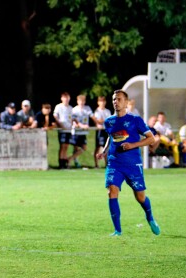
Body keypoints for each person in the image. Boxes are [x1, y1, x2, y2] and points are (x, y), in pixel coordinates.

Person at [96, 90, 160, 237]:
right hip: (114, 163)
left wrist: (133, 145)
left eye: (119, 99)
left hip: (132, 164)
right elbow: (111, 137)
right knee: (112, 191)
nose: (115, 102)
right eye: (113, 99)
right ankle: (117, 230)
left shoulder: (135, 120)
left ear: (126, 102)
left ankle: (149, 217)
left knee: (140, 197)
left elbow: (151, 139)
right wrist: (104, 151)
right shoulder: (109, 121)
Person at [67, 94, 93, 167]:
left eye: (83, 101)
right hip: (76, 132)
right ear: (77, 101)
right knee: (75, 148)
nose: (81, 102)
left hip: (83, 132)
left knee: (84, 147)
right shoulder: (74, 110)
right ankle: (75, 162)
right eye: (80, 101)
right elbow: (74, 121)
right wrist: (82, 125)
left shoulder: (87, 108)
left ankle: (70, 158)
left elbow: (92, 116)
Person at [54, 92, 74, 169]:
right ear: (62, 98)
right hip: (62, 130)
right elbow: (55, 116)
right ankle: (61, 163)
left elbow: (72, 118)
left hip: (68, 130)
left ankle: (64, 162)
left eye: (67, 98)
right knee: (62, 146)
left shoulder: (70, 108)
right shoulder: (58, 107)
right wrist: (60, 125)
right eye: (65, 98)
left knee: (66, 146)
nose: (66, 99)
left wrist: (72, 125)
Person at [92, 96, 112, 168]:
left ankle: (107, 163)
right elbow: (98, 121)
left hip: (106, 131)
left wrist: (104, 120)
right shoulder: (97, 111)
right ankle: (96, 164)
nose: (102, 103)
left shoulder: (107, 111)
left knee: (106, 147)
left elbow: (109, 121)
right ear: (98, 103)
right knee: (98, 147)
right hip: (100, 131)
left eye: (103, 101)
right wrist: (104, 120)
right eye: (100, 101)